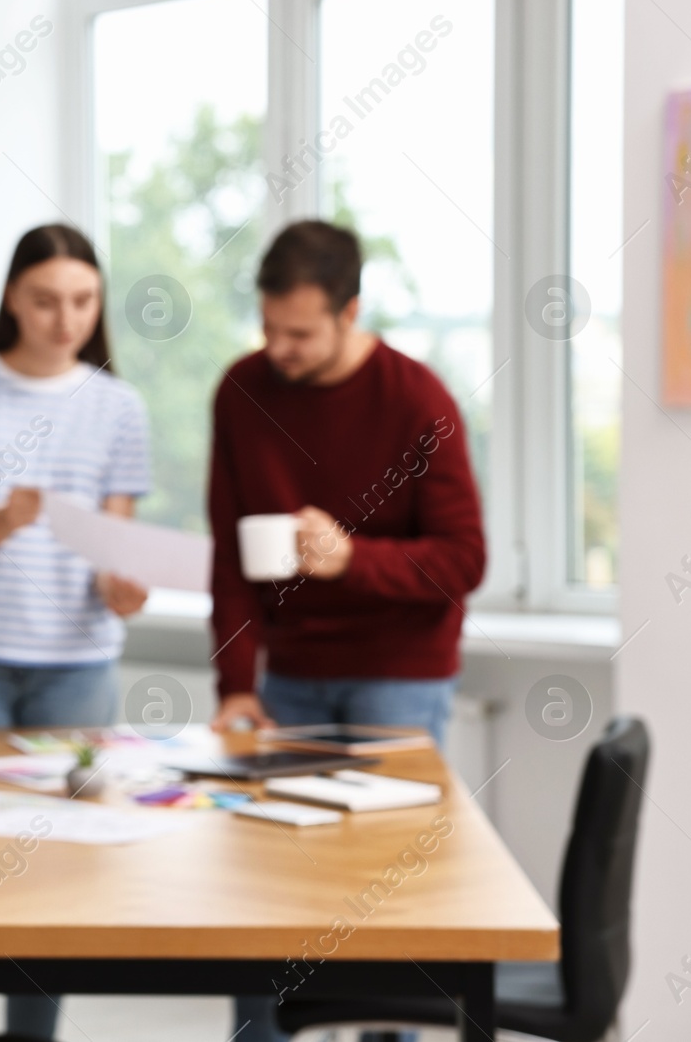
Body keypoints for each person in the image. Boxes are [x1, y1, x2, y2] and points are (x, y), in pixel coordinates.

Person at [209, 220, 485, 1042]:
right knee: (270, 887)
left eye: (299, 333)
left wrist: (350, 560)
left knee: (380, 899)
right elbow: (230, 556)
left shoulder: (417, 398)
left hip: (400, 674)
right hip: (289, 677)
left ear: (351, 310)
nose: (278, 348)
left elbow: (463, 560)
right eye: (269, 327)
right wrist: (234, 683)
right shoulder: (241, 390)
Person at [0, 223, 152, 1039]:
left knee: (57, 863)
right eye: (46, 300)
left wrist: (126, 588)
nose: (66, 318)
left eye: (83, 301)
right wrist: (5, 518)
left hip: (75, 665)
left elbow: (114, 560)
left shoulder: (119, 406)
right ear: (14, 297)